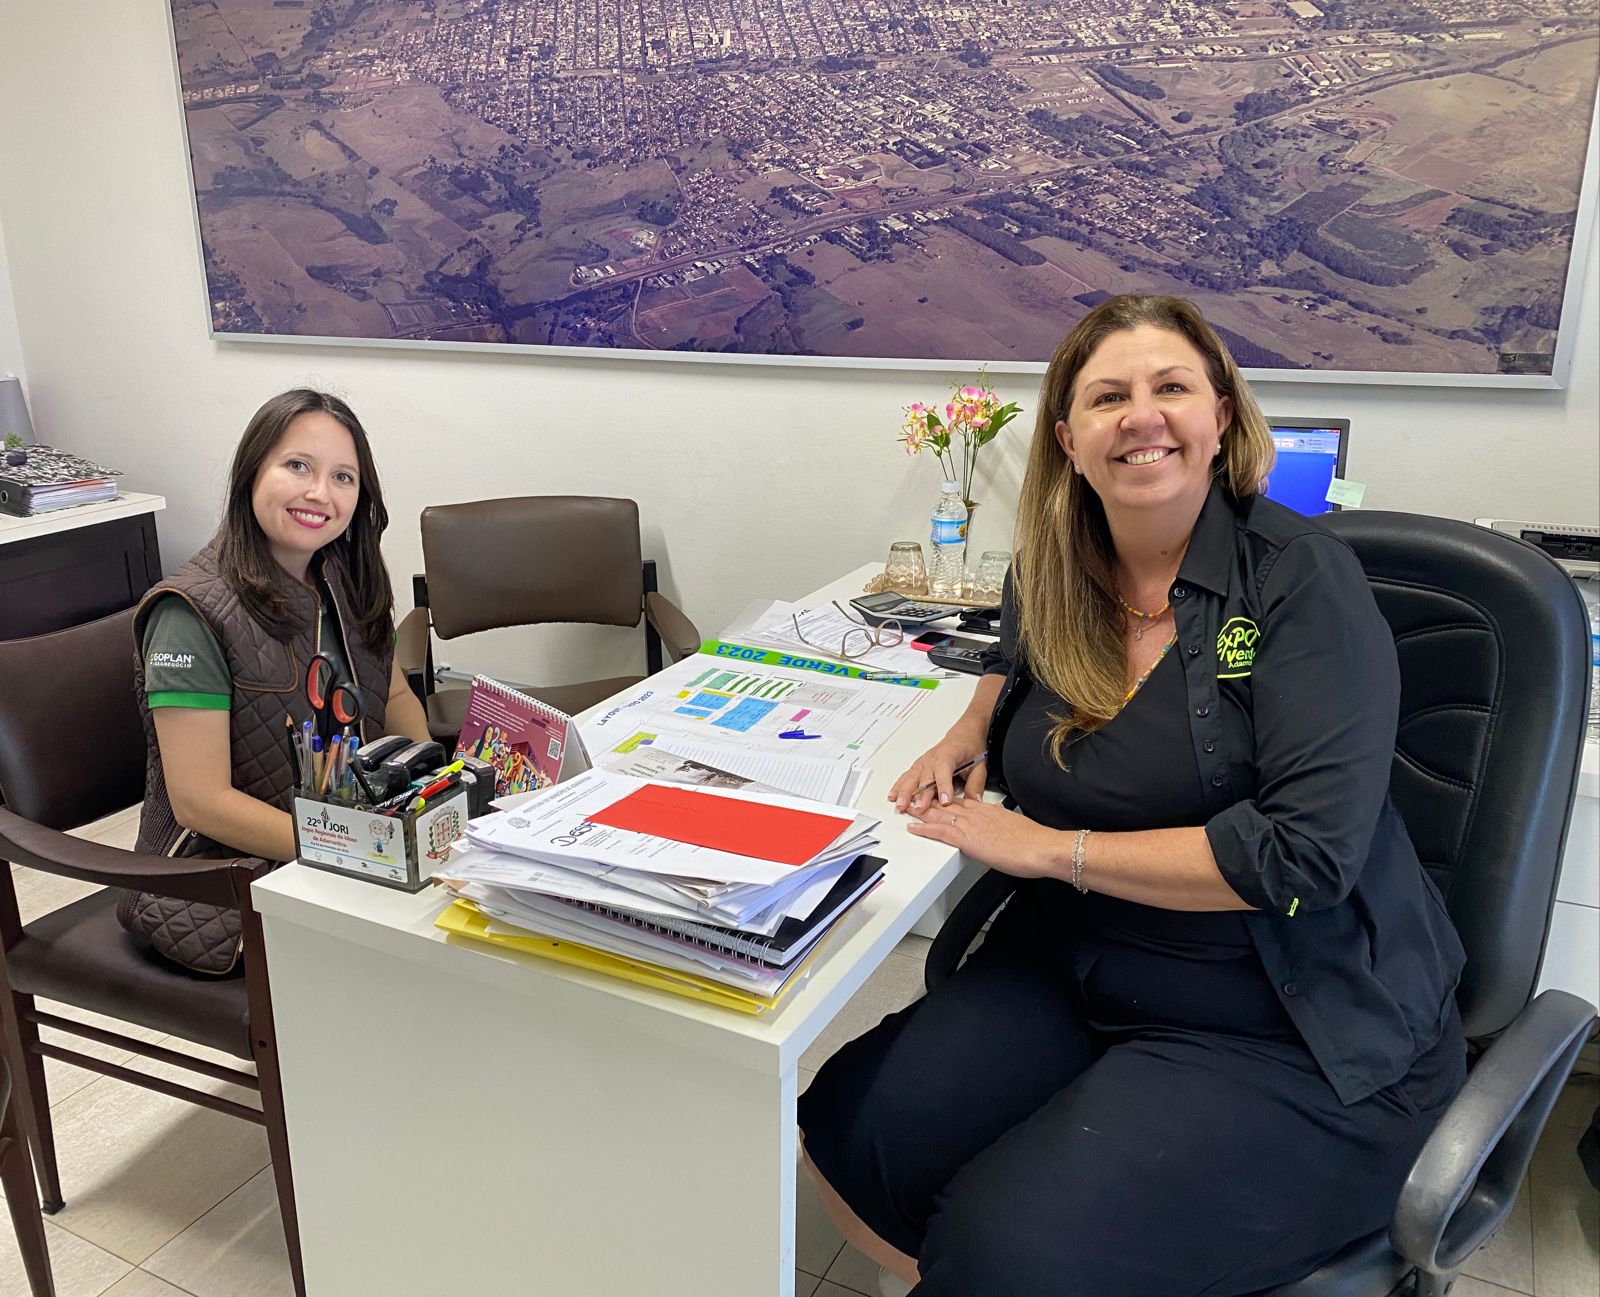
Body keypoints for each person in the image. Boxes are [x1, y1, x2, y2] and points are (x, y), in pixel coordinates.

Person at [798, 294, 1468, 1296]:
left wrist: (1043, 848)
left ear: (1221, 418)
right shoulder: (1057, 567)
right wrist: (970, 729)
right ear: (1069, 440)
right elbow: (1014, 658)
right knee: (856, 1121)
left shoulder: (1301, 583)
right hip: (1083, 955)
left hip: (1285, 1009)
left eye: (1171, 387)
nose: (1141, 415)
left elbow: (1304, 856)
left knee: (1011, 1251)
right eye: (1108, 396)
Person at [121, 389, 432, 974]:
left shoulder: (346, 578)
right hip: (221, 877)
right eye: (297, 466)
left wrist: (428, 792)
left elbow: (392, 695)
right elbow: (200, 802)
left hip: (345, 839)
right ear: (251, 471)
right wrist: (354, 848)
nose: (320, 493)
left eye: (343, 477)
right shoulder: (189, 612)